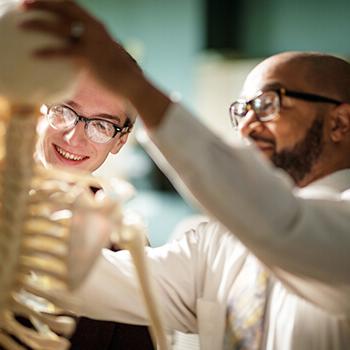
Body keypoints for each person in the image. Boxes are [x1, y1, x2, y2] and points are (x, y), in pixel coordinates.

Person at [21, 1, 350, 349]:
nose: (248, 125)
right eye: (241, 111)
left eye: (268, 104)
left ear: (340, 123)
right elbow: (81, 278)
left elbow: (282, 225)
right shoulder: (214, 247)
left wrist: (135, 87)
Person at [36, 74, 155, 350]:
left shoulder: (126, 248)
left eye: (102, 125)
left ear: (120, 141)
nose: (74, 138)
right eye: (64, 111)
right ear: (40, 108)